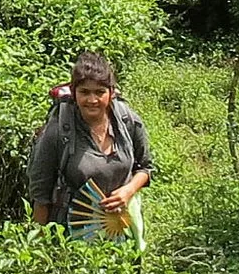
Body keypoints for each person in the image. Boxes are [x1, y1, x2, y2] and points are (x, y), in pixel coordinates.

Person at [27, 51, 154, 244]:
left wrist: (128, 191)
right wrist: (37, 248)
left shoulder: (127, 122)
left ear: (111, 93)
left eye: (99, 92)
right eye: (84, 92)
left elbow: (145, 168)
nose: (92, 100)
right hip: (72, 234)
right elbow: (41, 197)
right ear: (74, 92)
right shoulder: (57, 132)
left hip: (122, 228)